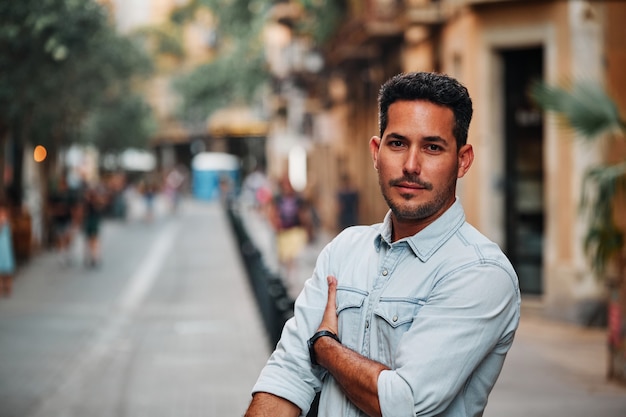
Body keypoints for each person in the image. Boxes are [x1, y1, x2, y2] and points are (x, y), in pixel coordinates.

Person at [244, 72, 520, 417]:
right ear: (376, 151)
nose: (410, 166)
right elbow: (286, 377)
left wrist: (325, 346)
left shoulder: (480, 272)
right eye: (398, 143)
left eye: (433, 147)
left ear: (462, 160)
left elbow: (404, 402)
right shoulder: (345, 250)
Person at [0, 201, 15, 297]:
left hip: (5, 247)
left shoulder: (6, 222)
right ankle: (2, 288)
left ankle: (8, 287)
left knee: (7, 268)